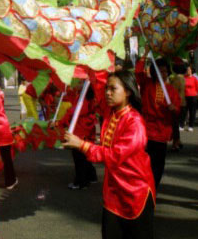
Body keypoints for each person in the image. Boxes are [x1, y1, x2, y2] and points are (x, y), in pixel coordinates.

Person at [63, 70, 156, 239]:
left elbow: (114, 156)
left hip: (135, 193)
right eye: (107, 88)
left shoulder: (135, 123)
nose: (107, 93)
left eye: (113, 89)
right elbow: (97, 86)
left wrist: (81, 144)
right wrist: (91, 67)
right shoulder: (111, 113)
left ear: (128, 91)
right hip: (113, 192)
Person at [138, 58, 180, 188]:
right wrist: (144, 55)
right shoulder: (147, 84)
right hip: (146, 131)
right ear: (154, 72)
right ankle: (145, 185)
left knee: (158, 164)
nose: (163, 74)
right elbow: (138, 72)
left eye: (165, 71)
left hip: (162, 132)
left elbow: (177, 111)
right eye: (160, 71)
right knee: (145, 162)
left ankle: (153, 187)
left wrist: (174, 108)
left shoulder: (171, 90)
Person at [57, 85, 98, 190]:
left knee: (79, 157)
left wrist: (59, 123)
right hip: (88, 130)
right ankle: (91, 176)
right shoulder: (91, 97)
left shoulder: (83, 99)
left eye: (81, 82)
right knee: (85, 155)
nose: (79, 82)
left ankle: (81, 182)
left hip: (80, 131)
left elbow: (73, 112)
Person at [169, 63, 185, 151]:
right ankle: (178, 140)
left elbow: (173, 90)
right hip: (182, 102)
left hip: (177, 103)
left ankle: (176, 142)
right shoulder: (183, 78)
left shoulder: (177, 79)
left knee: (174, 124)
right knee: (176, 123)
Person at [183, 65, 198, 132]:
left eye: (189, 70)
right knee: (184, 111)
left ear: (191, 71)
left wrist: (194, 93)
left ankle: (191, 126)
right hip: (185, 96)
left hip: (193, 97)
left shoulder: (194, 79)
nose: (188, 71)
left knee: (192, 112)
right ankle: (182, 124)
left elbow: (197, 88)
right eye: (187, 70)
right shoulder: (184, 78)